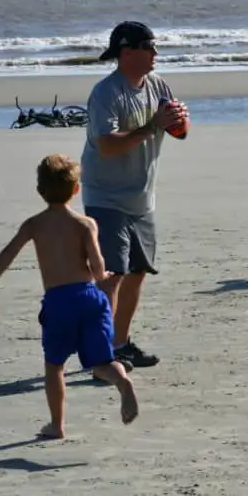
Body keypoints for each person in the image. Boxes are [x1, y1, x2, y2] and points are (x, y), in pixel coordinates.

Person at [0, 154, 139, 439]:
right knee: (102, 362)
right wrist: (101, 275)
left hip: (59, 301)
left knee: (55, 365)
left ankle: (57, 425)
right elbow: (98, 265)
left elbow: (9, 252)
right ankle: (123, 383)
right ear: (76, 189)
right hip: (91, 298)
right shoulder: (86, 224)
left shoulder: (34, 224)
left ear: (40, 190)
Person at [80, 21, 189, 374]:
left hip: (142, 198)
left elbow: (178, 132)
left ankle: (120, 343)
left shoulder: (157, 85)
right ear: (127, 52)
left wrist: (179, 121)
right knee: (111, 276)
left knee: (138, 272)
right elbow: (107, 145)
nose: (156, 53)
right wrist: (153, 125)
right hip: (105, 195)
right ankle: (102, 356)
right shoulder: (106, 92)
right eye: (149, 47)